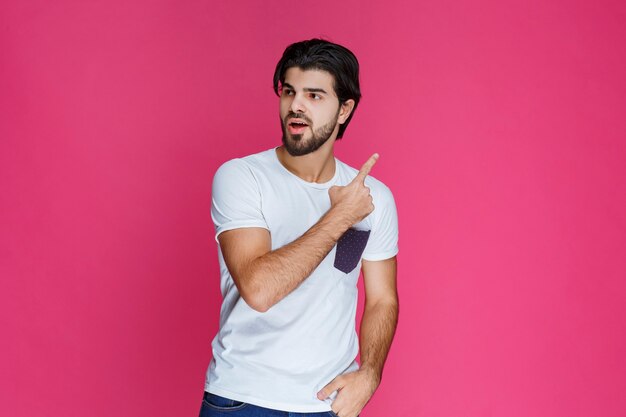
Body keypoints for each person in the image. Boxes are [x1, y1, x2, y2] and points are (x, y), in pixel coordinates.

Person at [200, 39, 399, 417]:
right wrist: (341, 217)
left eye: (314, 95)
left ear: (344, 109)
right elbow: (260, 290)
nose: (296, 105)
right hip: (242, 400)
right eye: (289, 91)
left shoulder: (375, 198)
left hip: (328, 404)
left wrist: (370, 374)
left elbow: (382, 299)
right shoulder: (242, 178)